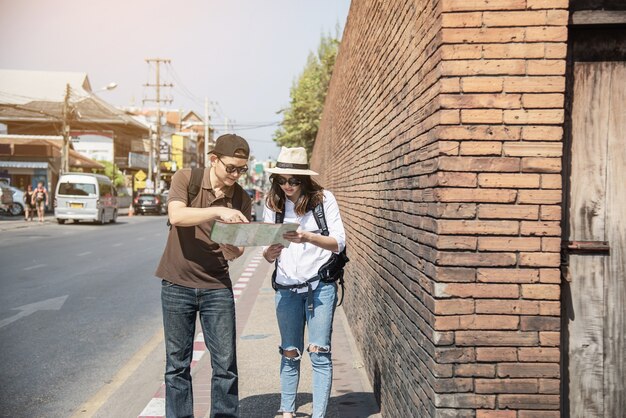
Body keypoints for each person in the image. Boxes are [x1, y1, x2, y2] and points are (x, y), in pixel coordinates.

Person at [155, 134, 252, 418]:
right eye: (231, 167)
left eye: (242, 169)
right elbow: (177, 216)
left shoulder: (242, 198)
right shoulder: (187, 178)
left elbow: (237, 251)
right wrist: (218, 210)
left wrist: (233, 246)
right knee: (176, 366)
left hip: (216, 286)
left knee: (225, 365)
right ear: (214, 159)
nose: (236, 174)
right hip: (177, 283)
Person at [262, 147, 346, 418]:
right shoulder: (272, 204)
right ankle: (286, 411)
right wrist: (269, 252)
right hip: (286, 287)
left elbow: (338, 242)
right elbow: (266, 251)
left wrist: (307, 237)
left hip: (320, 286)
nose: (287, 186)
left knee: (319, 353)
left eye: (294, 181)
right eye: (282, 180)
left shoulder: (323, 200)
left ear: (305, 180)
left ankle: (319, 415)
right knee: (289, 351)